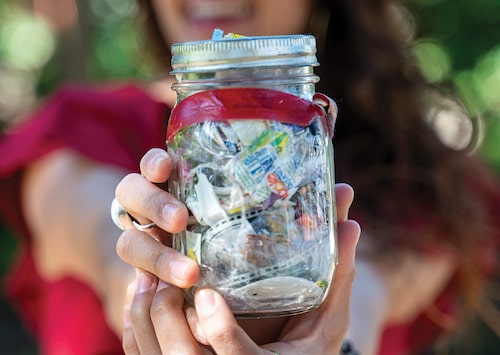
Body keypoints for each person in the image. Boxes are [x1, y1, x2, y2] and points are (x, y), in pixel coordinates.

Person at [0, 0, 497, 354]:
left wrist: (331, 339)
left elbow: (362, 284)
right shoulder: (79, 128)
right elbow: (92, 228)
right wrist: (150, 265)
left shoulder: (418, 175)